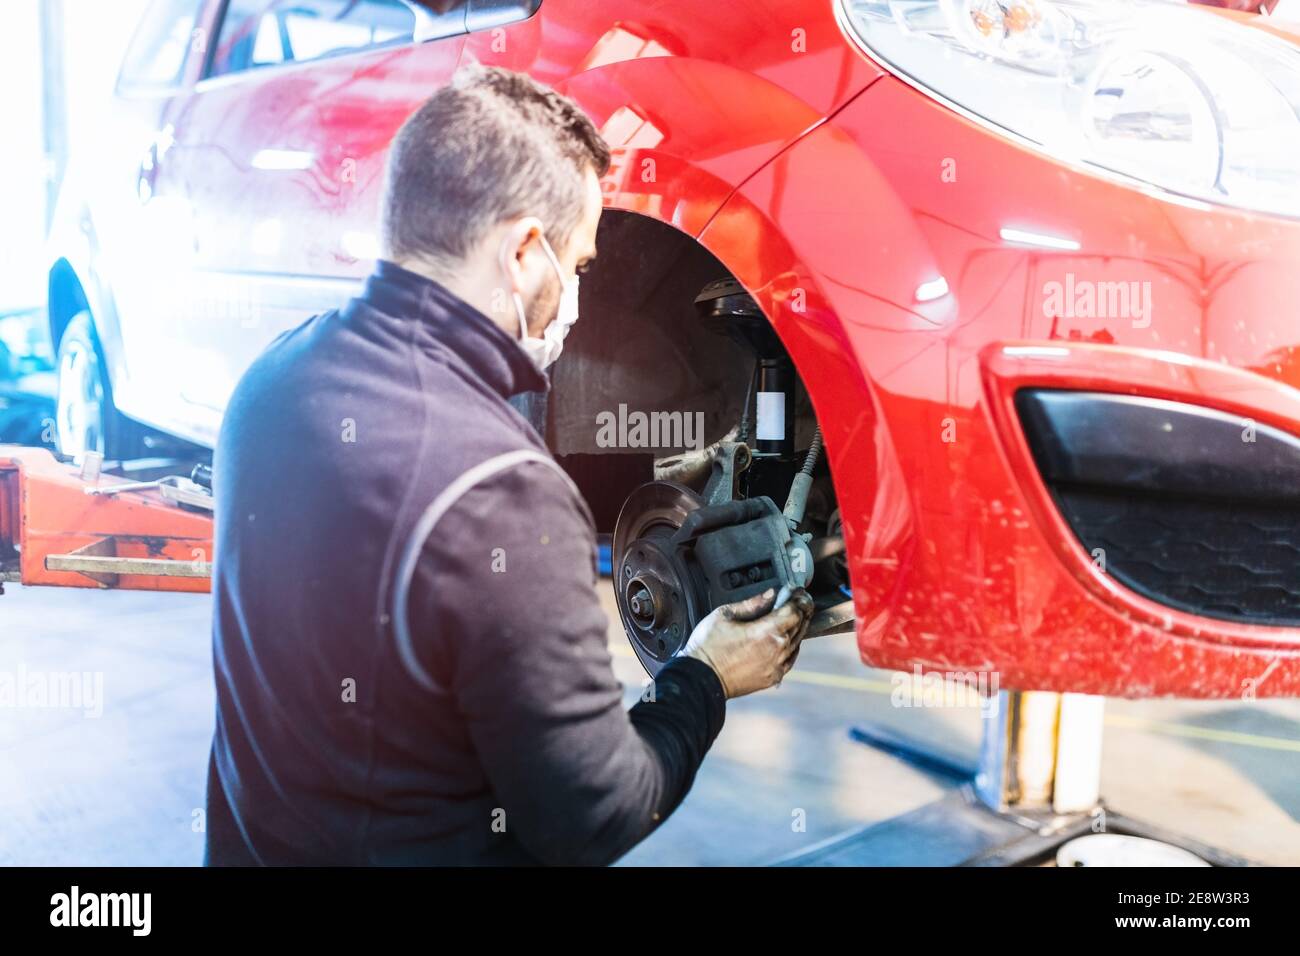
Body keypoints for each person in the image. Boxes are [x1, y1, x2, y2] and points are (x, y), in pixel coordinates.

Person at [204, 65, 814, 866]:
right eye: (584, 264)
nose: (580, 297)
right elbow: (595, 813)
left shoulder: (266, 386)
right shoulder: (501, 492)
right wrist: (703, 675)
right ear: (526, 251)